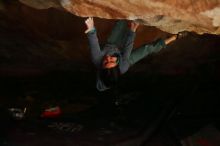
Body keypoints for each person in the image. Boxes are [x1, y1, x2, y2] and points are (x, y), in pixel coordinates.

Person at [85, 17, 181, 91]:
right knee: (147, 48)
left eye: (106, 62)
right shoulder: (123, 66)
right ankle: (174, 37)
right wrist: (132, 31)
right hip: (125, 59)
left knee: (121, 23)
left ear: (102, 67)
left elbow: (93, 41)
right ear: (117, 65)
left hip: (112, 45)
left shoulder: (97, 59)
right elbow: (127, 49)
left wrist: (91, 28)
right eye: (112, 61)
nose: (108, 57)